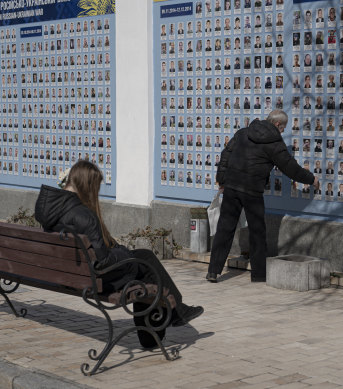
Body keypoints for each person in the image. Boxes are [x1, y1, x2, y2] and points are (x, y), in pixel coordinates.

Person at [34, 161, 203, 348]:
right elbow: (104, 261)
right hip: (95, 279)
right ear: (88, 185)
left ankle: (170, 318)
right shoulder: (83, 215)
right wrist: (124, 253)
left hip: (69, 274)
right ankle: (170, 317)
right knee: (144, 264)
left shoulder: (49, 209)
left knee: (143, 260)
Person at [207, 110, 317, 283]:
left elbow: (226, 154)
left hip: (232, 187)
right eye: (283, 128)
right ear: (277, 124)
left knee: (224, 229)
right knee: (257, 233)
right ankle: (258, 275)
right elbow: (291, 168)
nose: (282, 132)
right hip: (252, 191)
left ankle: (213, 271)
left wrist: (221, 179)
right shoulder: (275, 143)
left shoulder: (243, 133)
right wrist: (311, 179)